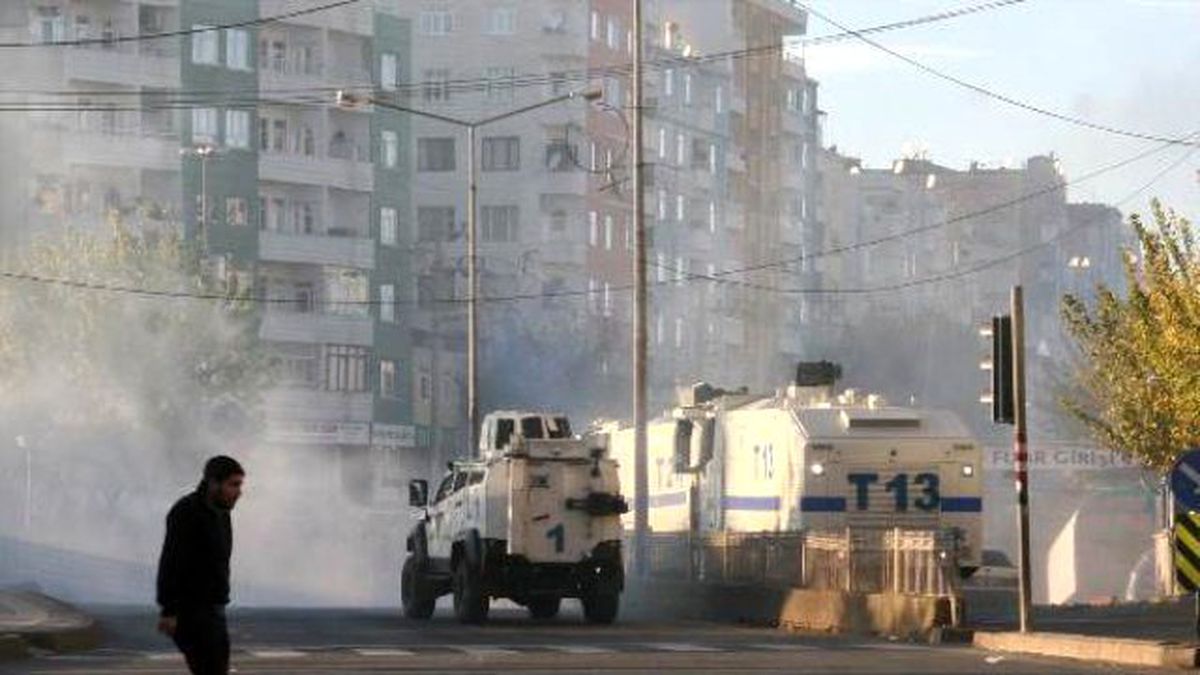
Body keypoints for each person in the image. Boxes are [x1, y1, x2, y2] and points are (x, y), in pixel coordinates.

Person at [156, 456, 245, 675]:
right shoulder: (187, 512)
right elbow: (171, 561)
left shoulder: (222, 514)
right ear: (214, 483)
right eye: (233, 485)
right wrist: (169, 610)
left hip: (215, 609)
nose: (239, 492)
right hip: (192, 612)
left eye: (240, 485)